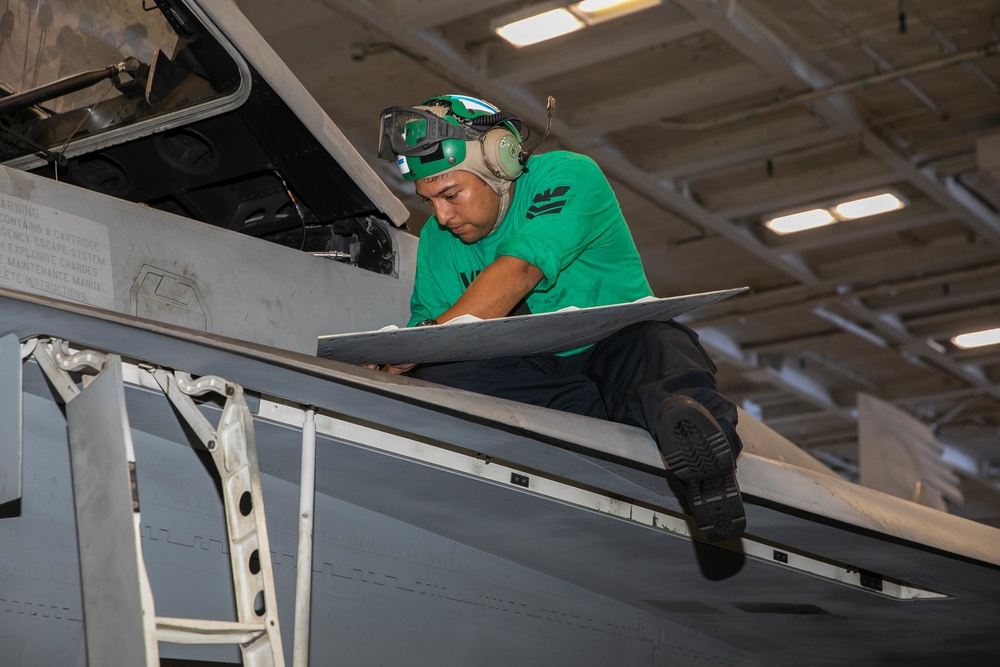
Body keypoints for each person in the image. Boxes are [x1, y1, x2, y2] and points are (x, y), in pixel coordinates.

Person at [376, 94, 746, 542]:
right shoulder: (438, 239)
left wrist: (423, 341)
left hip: (618, 357)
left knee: (657, 344)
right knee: (438, 372)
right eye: (428, 200)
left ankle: (706, 464)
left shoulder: (568, 175)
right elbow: (431, 326)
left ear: (499, 163)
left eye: (451, 195)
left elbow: (521, 270)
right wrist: (399, 359)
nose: (441, 215)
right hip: (548, 384)